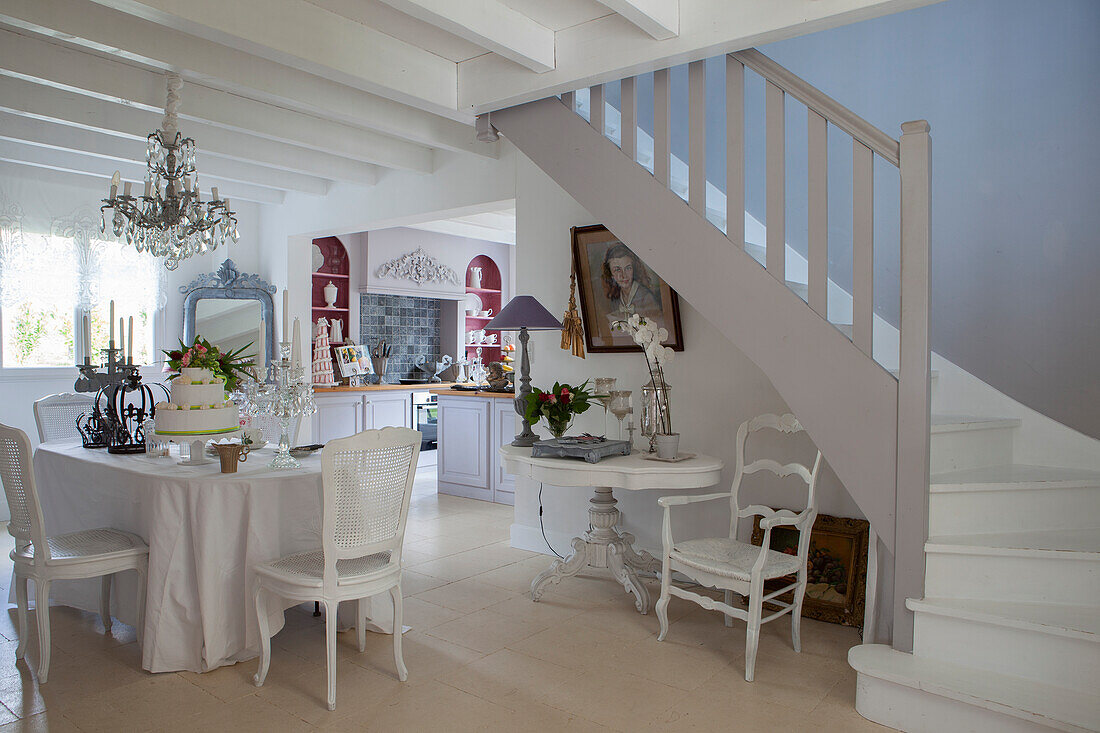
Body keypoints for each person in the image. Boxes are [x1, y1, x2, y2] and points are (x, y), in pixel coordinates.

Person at [601, 242, 661, 327]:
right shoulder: (615, 299)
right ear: (611, 274)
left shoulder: (646, 297)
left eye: (628, 268)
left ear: (634, 269)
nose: (623, 275)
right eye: (617, 270)